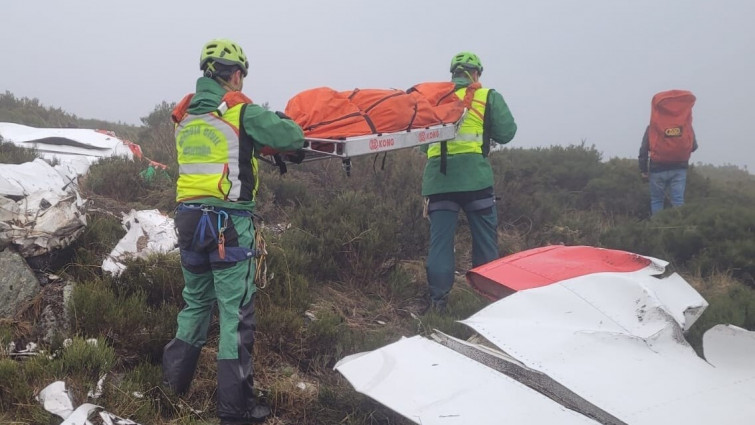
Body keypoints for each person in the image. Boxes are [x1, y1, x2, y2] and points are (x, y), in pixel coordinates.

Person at [162, 39, 304, 424]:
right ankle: (235, 411)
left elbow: (221, 152)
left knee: (195, 303)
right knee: (234, 314)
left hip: (189, 221)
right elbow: (292, 138)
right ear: (235, 75)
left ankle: (170, 392)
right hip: (228, 226)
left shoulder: (185, 114)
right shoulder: (241, 110)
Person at [420, 52, 517, 313]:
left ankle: (438, 304)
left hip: (439, 182)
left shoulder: (434, 98)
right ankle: (488, 303)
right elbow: (507, 133)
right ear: (476, 73)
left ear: (452, 73)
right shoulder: (488, 97)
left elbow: (421, 143)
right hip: (477, 180)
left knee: (440, 244)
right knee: (485, 241)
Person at [638, 90, 698, 216]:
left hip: (657, 168)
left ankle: (658, 229)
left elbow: (643, 150)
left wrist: (643, 171)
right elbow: (694, 146)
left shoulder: (653, 127)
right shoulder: (686, 126)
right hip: (679, 168)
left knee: (657, 200)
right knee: (678, 200)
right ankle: (679, 228)